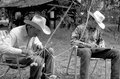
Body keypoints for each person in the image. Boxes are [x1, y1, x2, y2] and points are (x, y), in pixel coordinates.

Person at [0, 15, 54, 79]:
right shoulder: (16, 32)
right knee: (37, 59)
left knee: (49, 50)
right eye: (38, 30)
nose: (39, 34)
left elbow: (37, 42)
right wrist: (21, 51)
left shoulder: (33, 33)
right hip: (13, 59)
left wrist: (38, 45)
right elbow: (2, 47)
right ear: (30, 27)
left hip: (27, 57)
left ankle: (47, 76)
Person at [71, 11, 120, 79]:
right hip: (83, 50)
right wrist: (88, 45)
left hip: (95, 51)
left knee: (117, 52)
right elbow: (73, 42)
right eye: (96, 23)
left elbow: (101, 40)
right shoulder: (80, 28)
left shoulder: (97, 30)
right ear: (91, 19)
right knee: (86, 51)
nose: (97, 25)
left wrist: (101, 44)